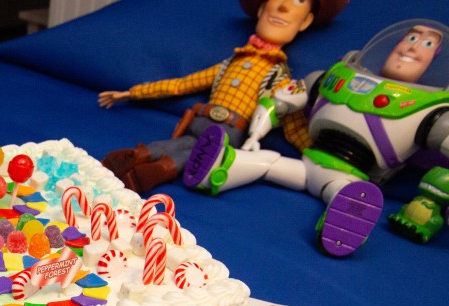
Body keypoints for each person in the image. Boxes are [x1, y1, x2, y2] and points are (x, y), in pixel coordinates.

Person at [184, 21, 449, 256]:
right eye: (411, 38)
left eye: (426, 44)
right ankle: (222, 165)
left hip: (349, 176)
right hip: (307, 160)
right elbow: (282, 100)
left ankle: (347, 217)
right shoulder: (334, 77)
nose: (412, 48)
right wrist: (256, 133)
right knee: (267, 160)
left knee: (343, 193)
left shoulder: (431, 109)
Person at [98, 0, 347, 194]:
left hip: (227, 132)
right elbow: (182, 85)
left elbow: (292, 124)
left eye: (298, 1)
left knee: (197, 152)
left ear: (306, 21)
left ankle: (155, 168)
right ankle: (139, 158)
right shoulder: (228, 64)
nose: (283, 6)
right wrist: (132, 92)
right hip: (200, 119)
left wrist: (320, 158)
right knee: (181, 145)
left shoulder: (278, 80)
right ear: (262, 8)